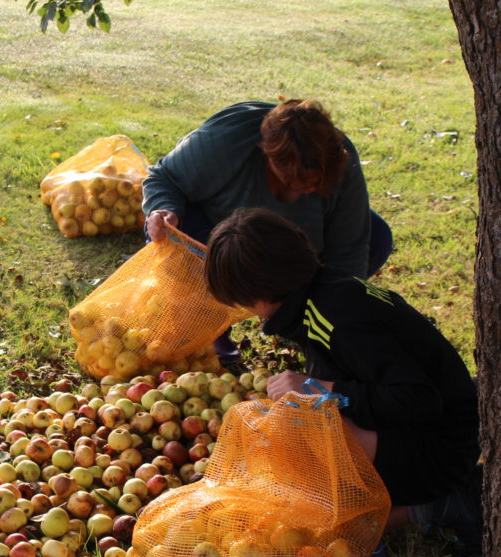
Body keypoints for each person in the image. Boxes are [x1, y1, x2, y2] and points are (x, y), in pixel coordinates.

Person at [204, 207, 482, 557]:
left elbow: (418, 399)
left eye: (244, 303)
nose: (248, 314)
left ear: (263, 292)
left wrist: (321, 389)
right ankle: (439, 504)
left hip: (442, 446)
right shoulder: (323, 292)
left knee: (301, 430)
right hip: (430, 434)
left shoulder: (338, 318)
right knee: (301, 418)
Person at [142, 99, 392, 364]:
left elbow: (349, 251)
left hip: (287, 250)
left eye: (310, 188)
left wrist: (339, 321)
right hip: (217, 237)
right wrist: (164, 209)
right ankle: (208, 327)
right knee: (177, 228)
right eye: (287, 181)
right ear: (266, 154)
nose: (292, 196)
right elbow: (163, 178)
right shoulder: (227, 141)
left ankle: (299, 317)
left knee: (376, 236)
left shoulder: (341, 162)